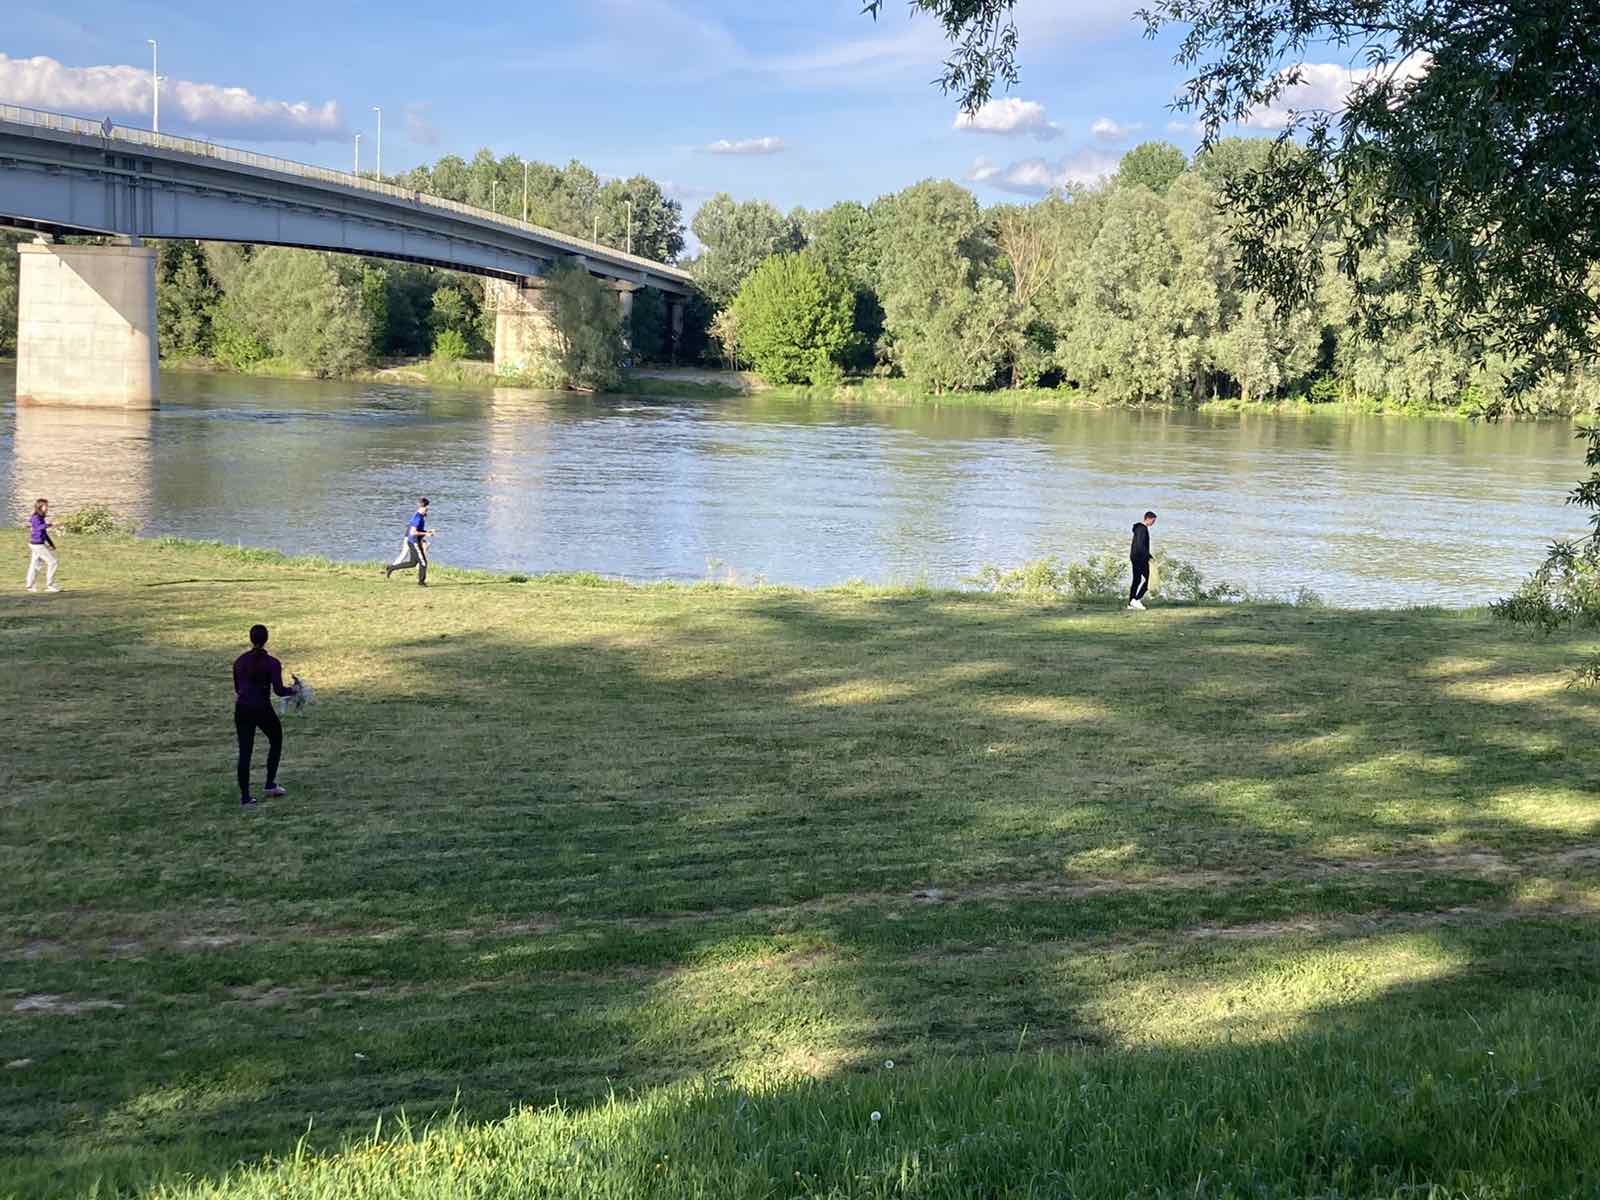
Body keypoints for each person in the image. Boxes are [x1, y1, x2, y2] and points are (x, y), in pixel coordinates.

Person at [233, 624, 300, 807]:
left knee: (245, 752)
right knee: (276, 739)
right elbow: (279, 691)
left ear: (250, 638)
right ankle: (270, 784)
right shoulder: (272, 663)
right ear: (266, 639)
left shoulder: (240, 661)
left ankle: (245, 797)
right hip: (262, 708)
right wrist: (294, 690)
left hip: (242, 709)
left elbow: (238, 688)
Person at [383, 497, 433, 586]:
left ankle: (391, 568)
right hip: (414, 542)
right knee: (423, 563)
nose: (427, 510)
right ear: (422, 508)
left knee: (413, 563)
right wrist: (426, 534)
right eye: (427, 509)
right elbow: (413, 532)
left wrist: (427, 532)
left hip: (413, 541)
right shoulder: (417, 518)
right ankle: (421, 582)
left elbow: (417, 530)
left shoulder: (420, 517)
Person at [25, 498, 60, 593]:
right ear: (40, 507)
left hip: (37, 544)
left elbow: (44, 532)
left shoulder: (41, 517)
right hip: (37, 545)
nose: (47, 508)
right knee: (53, 562)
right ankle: (50, 585)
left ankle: (30, 586)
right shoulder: (36, 517)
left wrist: (51, 544)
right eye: (46, 506)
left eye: (47, 506)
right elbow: (38, 527)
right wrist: (51, 524)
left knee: (35, 564)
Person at [1129, 510, 1157, 610]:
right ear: (1147, 518)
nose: (1153, 523)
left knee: (1136, 580)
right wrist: (1148, 557)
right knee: (1149, 579)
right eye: (1153, 521)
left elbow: (1138, 545)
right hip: (1139, 558)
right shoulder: (1142, 529)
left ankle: (1130, 603)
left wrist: (1149, 555)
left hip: (1135, 556)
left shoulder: (1138, 528)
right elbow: (1140, 545)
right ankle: (1136, 600)